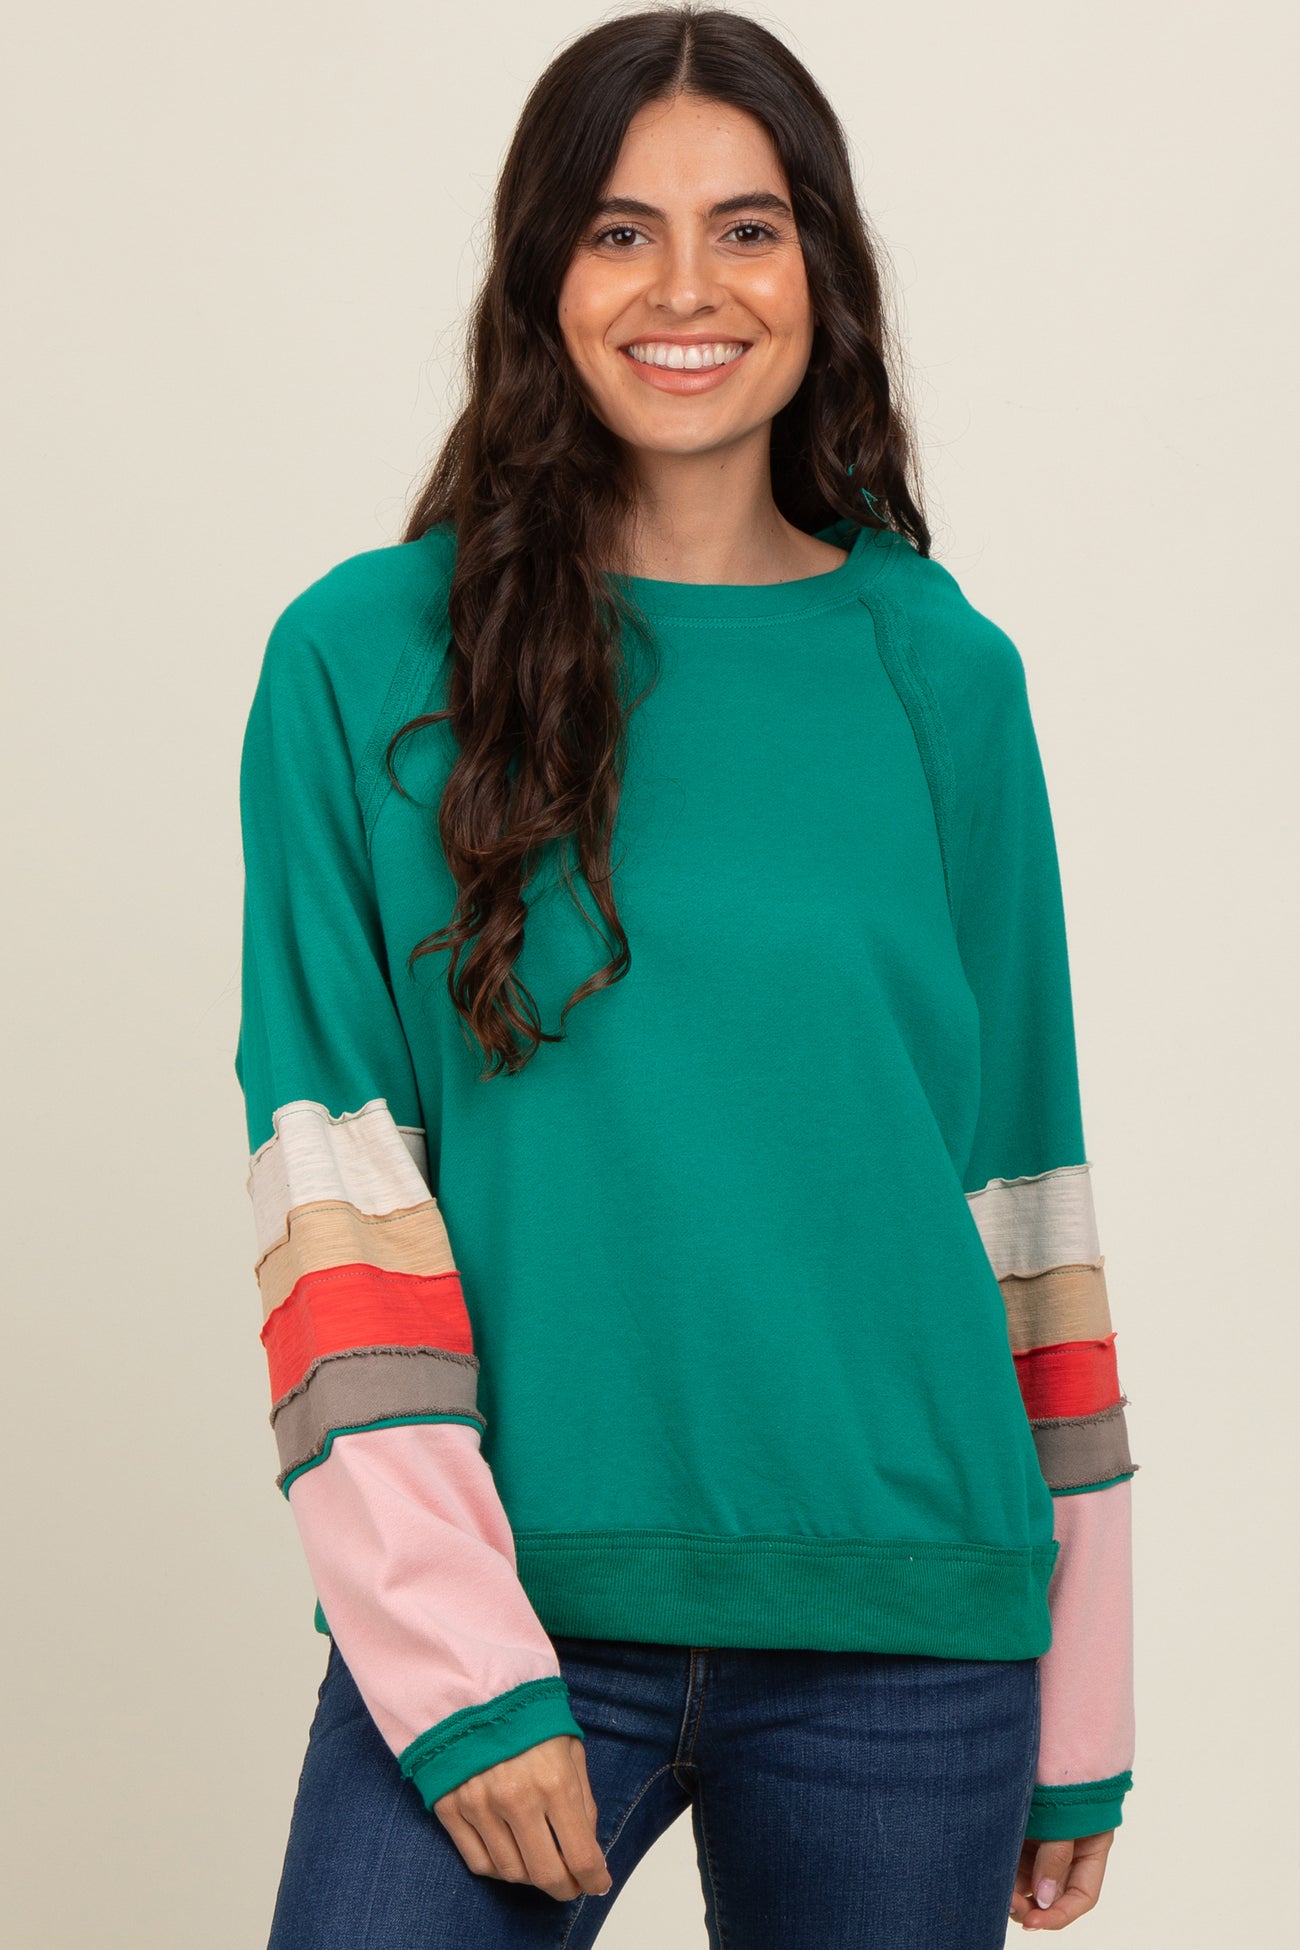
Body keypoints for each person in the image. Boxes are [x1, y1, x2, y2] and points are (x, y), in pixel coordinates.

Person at [235, 8, 1137, 1945]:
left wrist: (1082, 1694)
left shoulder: (939, 670)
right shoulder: (362, 658)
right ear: (540, 275)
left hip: (909, 1621)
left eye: (745, 229)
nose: (684, 289)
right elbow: (333, 1183)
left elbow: (1020, 1174)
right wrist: (458, 1662)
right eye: (618, 230)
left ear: (821, 272)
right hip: (514, 1594)